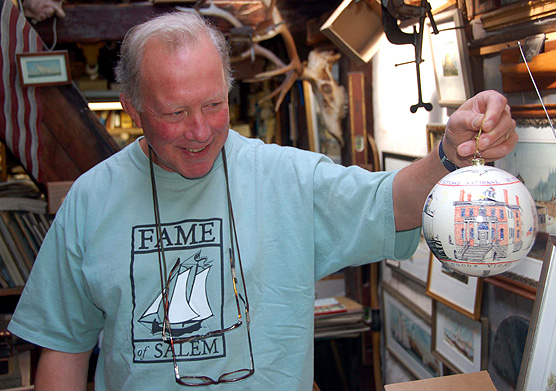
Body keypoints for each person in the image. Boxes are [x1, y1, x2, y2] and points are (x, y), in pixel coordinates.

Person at [8, 10, 516, 391]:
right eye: (175, 113)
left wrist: (449, 152)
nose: (201, 130)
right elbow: (63, 345)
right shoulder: (91, 200)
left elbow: (394, 203)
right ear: (133, 109)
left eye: (213, 104)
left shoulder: (286, 178)